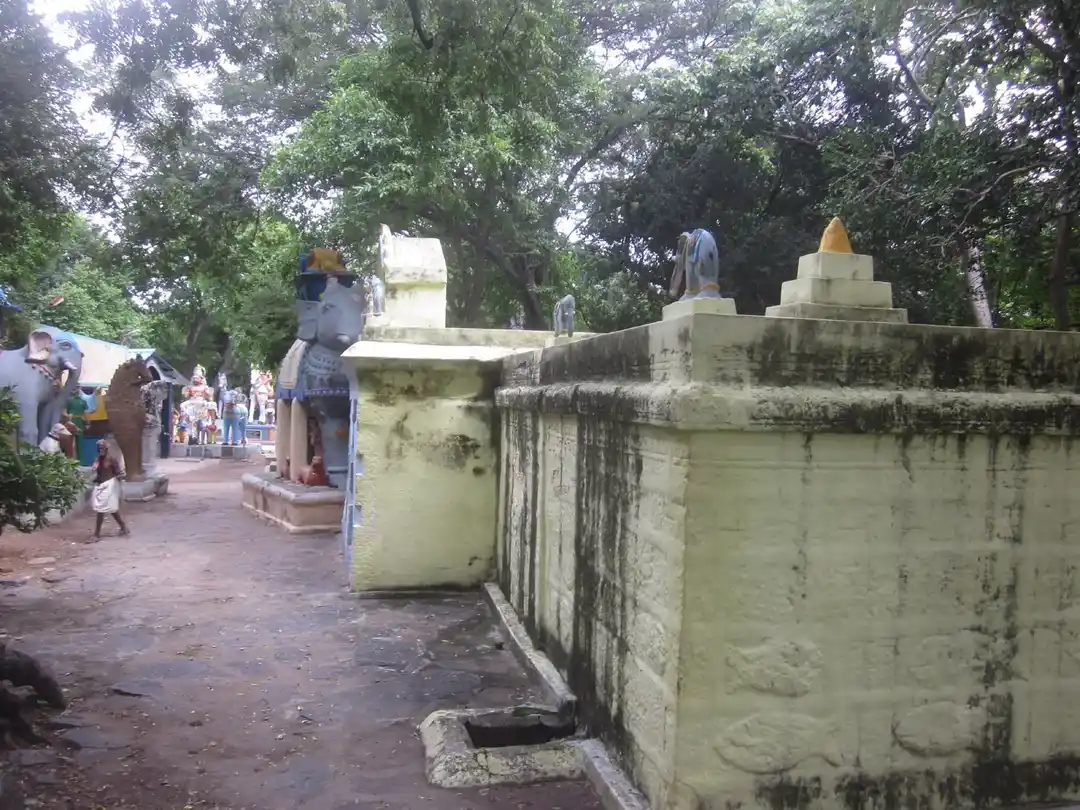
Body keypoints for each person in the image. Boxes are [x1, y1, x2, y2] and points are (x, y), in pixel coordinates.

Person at [90, 440, 129, 540]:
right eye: (99, 448)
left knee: (101, 509)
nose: (101, 449)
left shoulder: (111, 459)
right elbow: (98, 473)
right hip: (101, 485)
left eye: (103, 447)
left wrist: (120, 478)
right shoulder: (98, 459)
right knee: (110, 508)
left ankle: (96, 534)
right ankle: (123, 527)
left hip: (110, 485)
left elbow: (120, 473)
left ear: (106, 449)